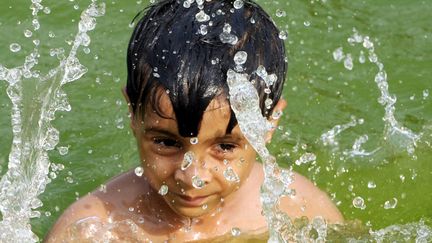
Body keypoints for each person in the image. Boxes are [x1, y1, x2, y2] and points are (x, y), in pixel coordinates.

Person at [45, 0, 343, 241]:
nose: (192, 177)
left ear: (269, 122)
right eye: (166, 142)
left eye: (225, 147)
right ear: (133, 114)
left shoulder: (300, 208)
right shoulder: (93, 229)